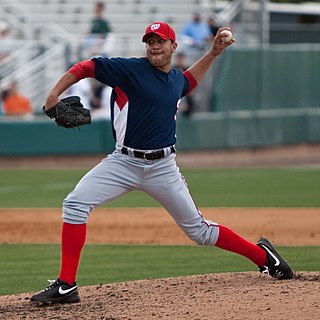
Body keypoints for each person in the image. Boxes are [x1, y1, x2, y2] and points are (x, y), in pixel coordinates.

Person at [30, 21, 293, 305]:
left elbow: (189, 81)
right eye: (150, 41)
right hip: (122, 163)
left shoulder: (175, 80)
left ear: (173, 46)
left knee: (200, 231)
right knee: (75, 204)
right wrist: (53, 95)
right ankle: (67, 285)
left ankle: (265, 257)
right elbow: (85, 67)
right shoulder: (130, 70)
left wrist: (214, 53)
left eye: (161, 41)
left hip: (163, 168)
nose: (155, 45)